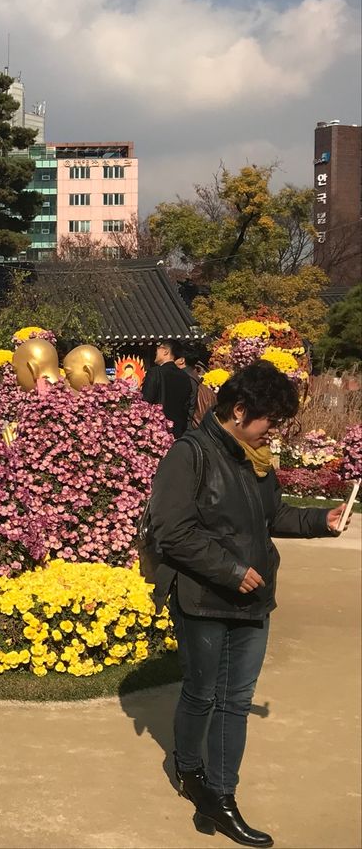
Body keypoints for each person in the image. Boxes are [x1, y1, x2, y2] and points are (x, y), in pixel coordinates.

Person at [144, 361, 348, 848]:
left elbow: (272, 515)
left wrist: (321, 521)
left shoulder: (254, 459)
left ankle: (221, 795)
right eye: (269, 420)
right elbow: (173, 533)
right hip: (204, 598)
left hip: (253, 598)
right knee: (201, 693)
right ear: (239, 411)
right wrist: (230, 571)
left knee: (234, 701)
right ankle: (189, 769)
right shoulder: (189, 454)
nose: (272, 431)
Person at [143, 339, 194, 437]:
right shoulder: (185, 376)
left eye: (158, 348)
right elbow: (187, 405)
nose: (156, 351)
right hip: (178, 431)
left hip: (157, 430)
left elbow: (146, 401)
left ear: (166, 351)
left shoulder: (155, 372)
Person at [175, 342, 217, 431]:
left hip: (188, 430)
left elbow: (188, 409)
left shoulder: (184, 379)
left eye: (174, 357)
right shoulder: (196, 378)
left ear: (181, 360)